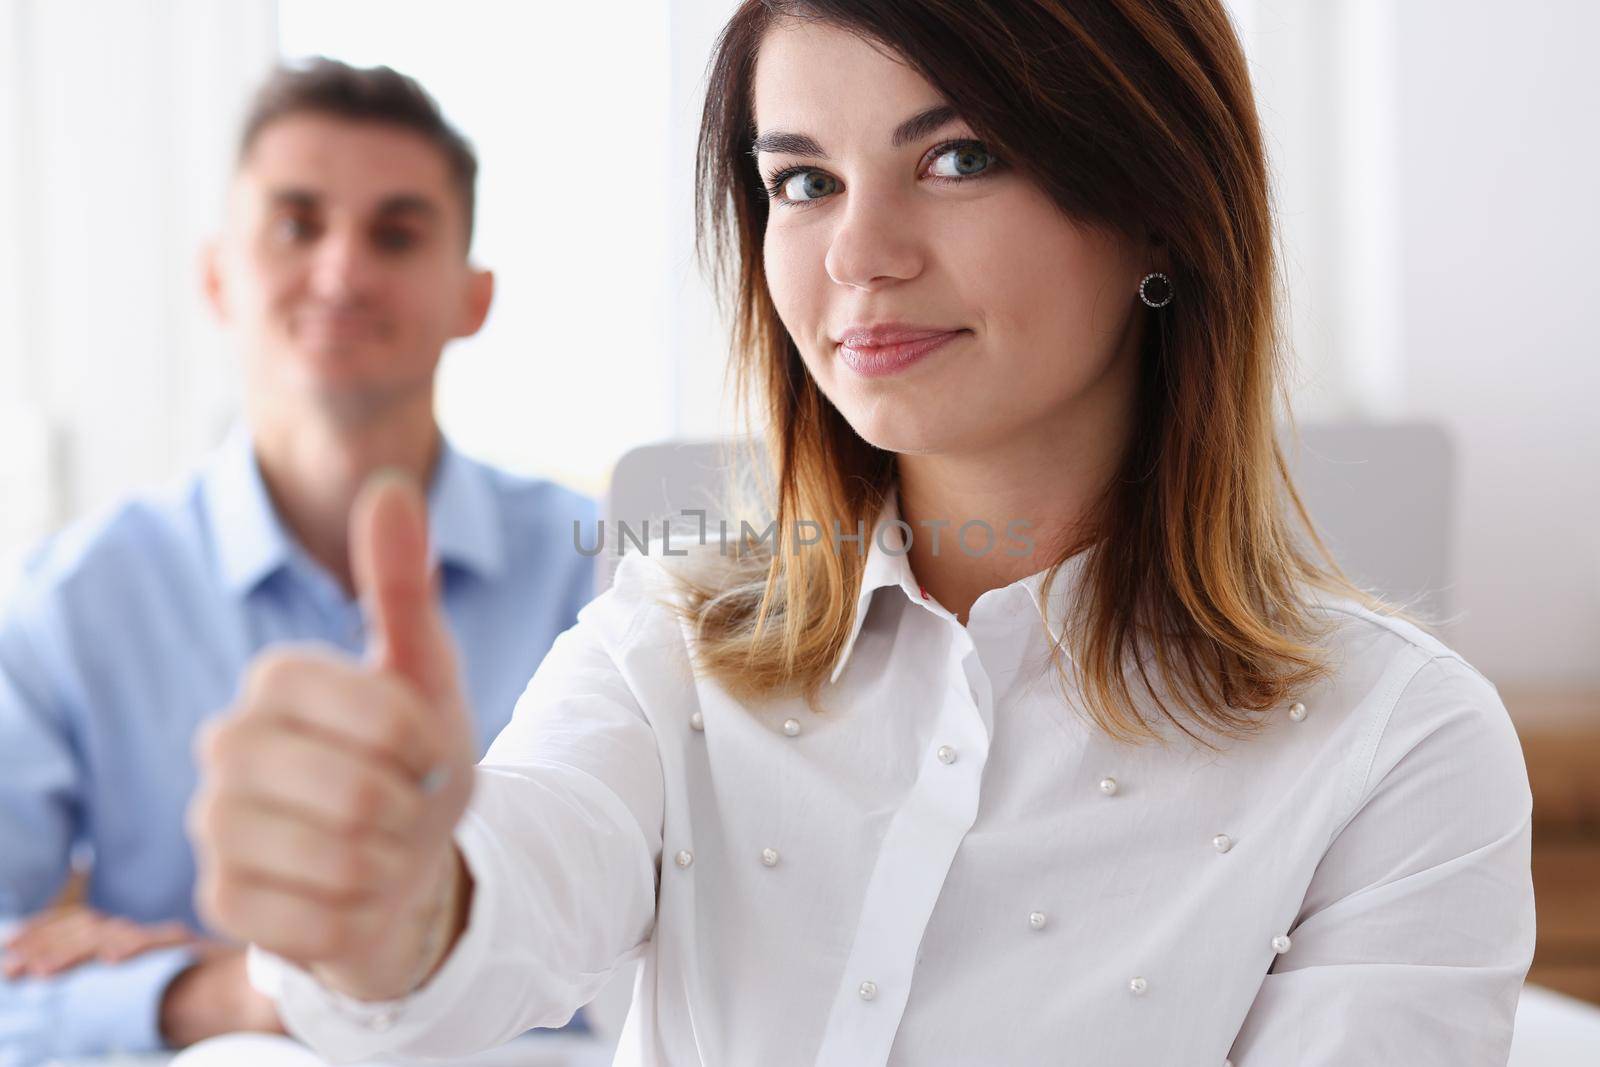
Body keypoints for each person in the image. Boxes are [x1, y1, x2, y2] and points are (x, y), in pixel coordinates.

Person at [192, 3, 1535, 1064]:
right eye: (802, 180)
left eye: (958, 157)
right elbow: (503, 902)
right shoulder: (671, 639)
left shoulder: (1400, 743)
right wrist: (395, 907)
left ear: (1162, 201)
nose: (856, 255)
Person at [0, 59, 596, 1061]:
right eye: (296, 223)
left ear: (472, 295)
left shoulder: (607, 577)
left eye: (396, 233)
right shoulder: (73, 602)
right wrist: (220, 994)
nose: (341, 271)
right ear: (216, 276)